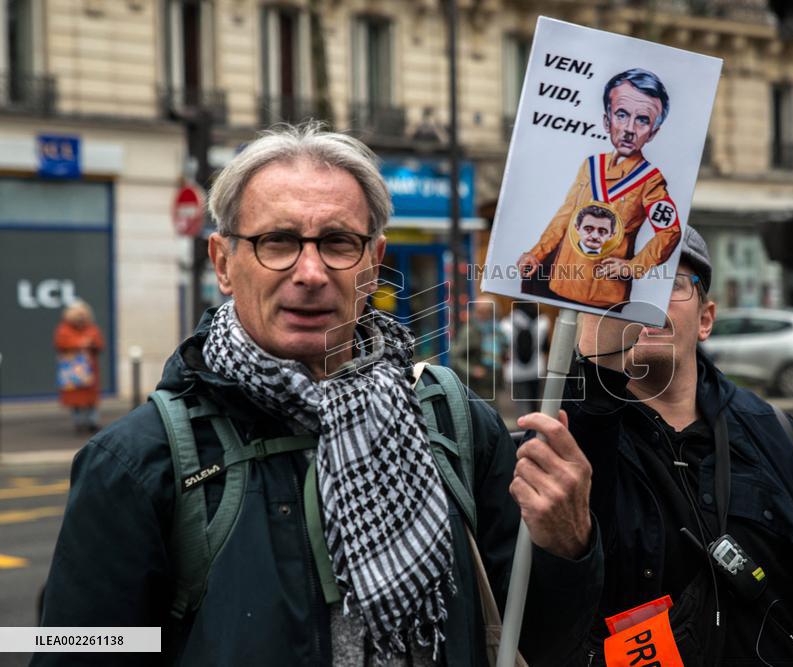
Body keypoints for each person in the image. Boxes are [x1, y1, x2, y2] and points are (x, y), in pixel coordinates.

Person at [36, 124, 602, 666]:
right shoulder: (136, 462)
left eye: (337, 242)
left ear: (374, 263)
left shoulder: (456, 423)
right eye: (276, 241)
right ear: (223, 264)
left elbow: (545, 641)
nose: (310, 271)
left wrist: (568, 545)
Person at [565, 225, 793, 665]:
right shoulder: (574, 439)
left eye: (670, 283)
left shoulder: (773, 431)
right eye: (628, 284)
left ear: (706, 319)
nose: (647, 301)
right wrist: (595, 370)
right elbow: (552, 604)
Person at [517, 68, 683, 310]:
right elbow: (565, 217)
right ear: (607, 120)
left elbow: (670, 231)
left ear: (653, 133)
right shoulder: (591, 165)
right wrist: (536, 253)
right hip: (562, 282)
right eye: (622, 115)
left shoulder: (650, 180)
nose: (629, 128)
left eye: (642, 120)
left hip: (605, 296)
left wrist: (633, 267)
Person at [53, 300, 104, 434]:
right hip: (72, 369)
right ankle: (79, 423)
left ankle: (93, 422)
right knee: (75, 400)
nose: (80, 317)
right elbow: (61, 343)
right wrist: (80, 343)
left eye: (83, 314)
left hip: (90, 370)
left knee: (91, 400)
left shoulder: (91, 328)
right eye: (77, 314)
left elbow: (99, 344)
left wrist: (91, 344)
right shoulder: (64, 329)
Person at [450, 297, 506, 401]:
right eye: (481, 311)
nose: (485, 315)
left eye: (489, 311)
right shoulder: (470, 331)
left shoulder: (497, 330)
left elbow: (502, 350)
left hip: (492, 382)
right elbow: (456, 358)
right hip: (475, 386)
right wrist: (473, 370)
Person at [500, 303, 551, 415]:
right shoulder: (543, 321)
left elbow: (503, 349)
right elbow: (545, 347)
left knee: (520, 405)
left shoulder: (506, 323)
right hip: (536, 369)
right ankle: (535, 428)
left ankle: (523, 427)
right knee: (535, 403)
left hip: (514, 371)